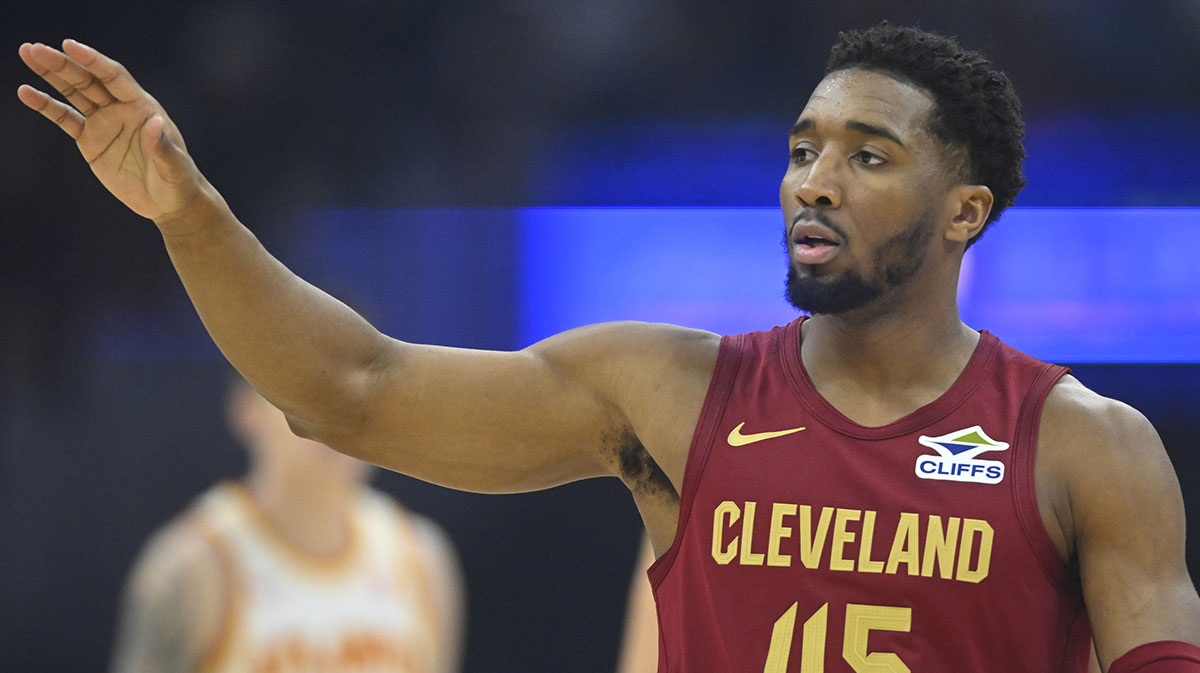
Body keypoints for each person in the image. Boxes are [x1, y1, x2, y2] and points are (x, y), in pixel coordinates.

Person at [19, 22, 1200, 672]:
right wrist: (190, 214)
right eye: (802, 149)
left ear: (965, 212)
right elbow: (353, 388)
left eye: (868, 156)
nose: (814, 182)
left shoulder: (1083, 446)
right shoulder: (675, 392)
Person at [108, 376, 465, 673]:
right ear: (246, 408)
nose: (337, 416)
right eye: (311, 390)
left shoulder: (422, 557)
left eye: (358, 392)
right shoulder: (191, 566)